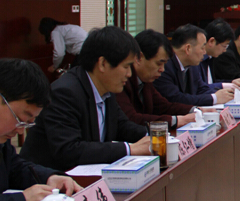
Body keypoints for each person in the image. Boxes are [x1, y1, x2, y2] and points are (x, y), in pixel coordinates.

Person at [21, 26, 152, 171]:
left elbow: (122, 126)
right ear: (103, 64)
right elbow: (69, 150)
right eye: (126, 66)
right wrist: (129, 149)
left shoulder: (106, 88)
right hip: (49, 178)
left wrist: (155, 136)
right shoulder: (65, 92)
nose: (129, 74)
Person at [0, 59, 81, 201]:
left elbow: (15, 168)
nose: (20, 131)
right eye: (19, 119)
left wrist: (49, 178)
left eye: (27, 124)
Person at [116, 29, 196, 128]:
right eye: (158, 63)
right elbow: (131, 118)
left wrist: (195, 110)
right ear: (139, 58)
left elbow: (164, 107)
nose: (162, 69)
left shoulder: (146, 81)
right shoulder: (121, 81)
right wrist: (175, 121)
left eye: (164, 64)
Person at [155, 24, 234, 107]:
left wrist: (227, 94)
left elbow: (201, 89)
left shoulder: (193, 65)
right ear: (188, 48)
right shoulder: (164, 66)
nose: (204, 52)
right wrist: (214, 98)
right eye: (202, 48)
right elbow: (176, 98)